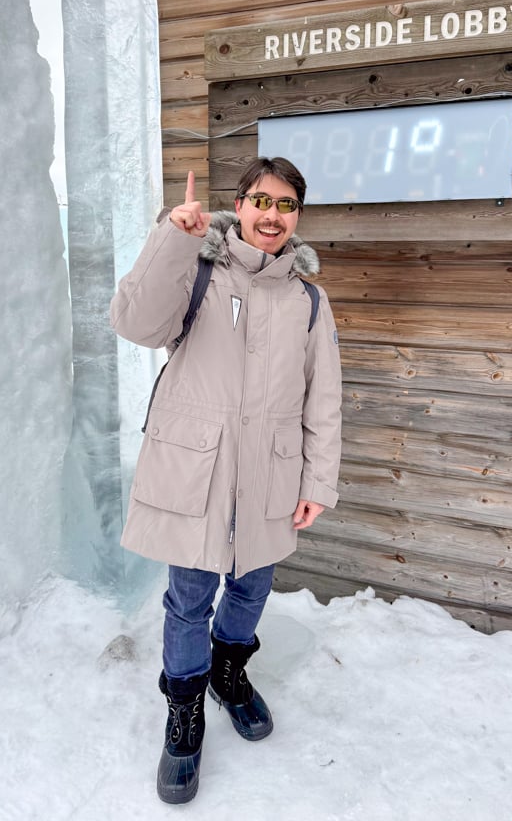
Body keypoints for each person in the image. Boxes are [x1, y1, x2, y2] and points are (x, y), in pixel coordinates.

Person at [110, 157, 342, 804]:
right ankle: (183, 711)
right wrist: (172, 241)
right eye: (261, 200)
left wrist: (318, 480)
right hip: (199, 471)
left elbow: (324, 397)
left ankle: (227, 672)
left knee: (251, 587)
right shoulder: (196, 270)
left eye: (287, 205)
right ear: (238, 205)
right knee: (188, 598)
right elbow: (132, 322)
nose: (273, 215)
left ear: (297, 216)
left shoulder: (308, 300)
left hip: (269, 474)